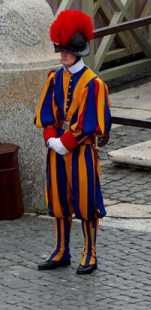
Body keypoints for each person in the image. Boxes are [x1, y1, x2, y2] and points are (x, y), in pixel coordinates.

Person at [34, 10, 111, 275]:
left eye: (66, 51)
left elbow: (90, 122)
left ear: (77, 51)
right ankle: (61, 250)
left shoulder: (94, 84)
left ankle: (90, 253)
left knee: (86, 202)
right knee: (58, 201)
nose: (62, 55)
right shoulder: (54, 77)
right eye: (61, 50)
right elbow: (46, 113)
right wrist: (51, 139)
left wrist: (64, 142)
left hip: (81, 151)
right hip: (57, 149)